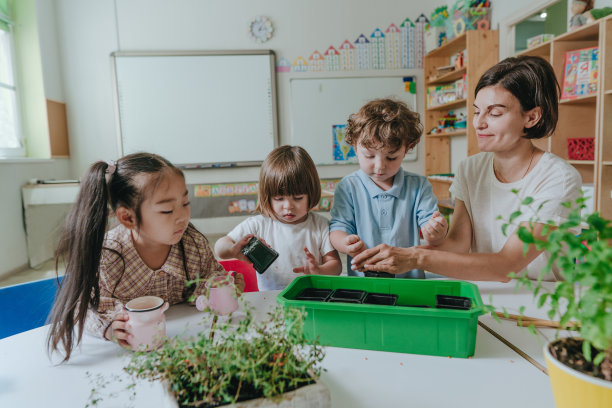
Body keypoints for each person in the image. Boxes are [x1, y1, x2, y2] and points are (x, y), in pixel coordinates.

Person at [351, 56, 582, 282]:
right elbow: (457, 246)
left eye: (494, 113)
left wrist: (415, 257)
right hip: (488, 295)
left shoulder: (557, 178)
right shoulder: (470, 169)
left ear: (531, 117)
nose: (479, 123)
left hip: (545, 303)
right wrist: (396, 250)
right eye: (476, 111)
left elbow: (507, 266)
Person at [47, 153, 244, 361]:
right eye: (167, 210)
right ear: (128, 217)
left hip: (185, 345)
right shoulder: (108, 256)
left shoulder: (193, 245)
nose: (182, 217)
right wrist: (110, 329)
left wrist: (218, 288)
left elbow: (207, 279)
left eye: (185, 203)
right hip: (128, 357)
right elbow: (84, 307)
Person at [329, 98, 448, 279]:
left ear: (407, 148)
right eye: (369, 156)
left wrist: (436, 232)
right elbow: (338, 227)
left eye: (391, 158)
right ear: (354, 146)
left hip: (410, 282)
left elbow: (433, 236)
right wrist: (346, 243)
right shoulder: (348, 187)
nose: (379, 167)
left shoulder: (418, 186)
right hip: (364, 284)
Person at [215, 145, 342, 290]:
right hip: (271, 301)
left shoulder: (320, 225)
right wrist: (232, 249)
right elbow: (220, 247)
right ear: (267, 197)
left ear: (310, 194)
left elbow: (335, 265)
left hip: (311, 298)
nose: (288, 206)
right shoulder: (258, 225)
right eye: (279, 198)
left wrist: (319, 271)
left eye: (298, 198)